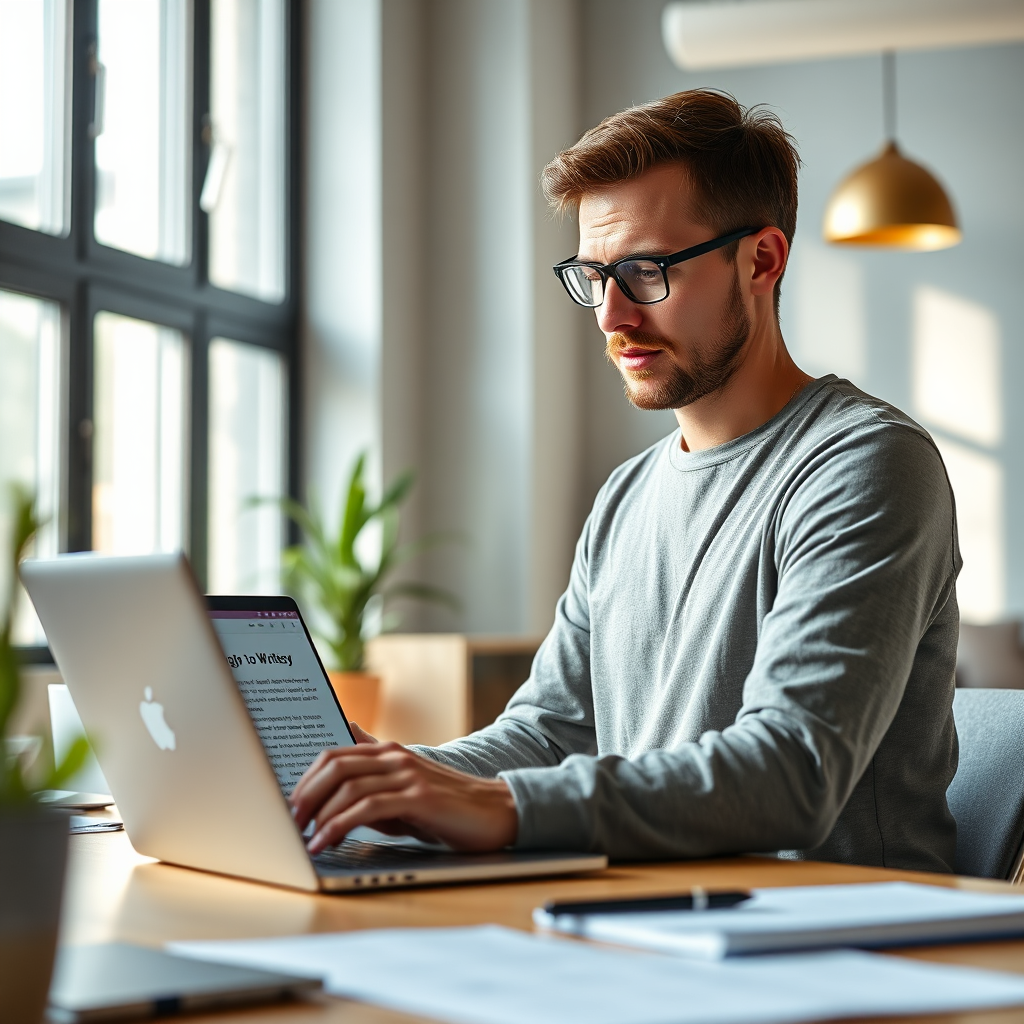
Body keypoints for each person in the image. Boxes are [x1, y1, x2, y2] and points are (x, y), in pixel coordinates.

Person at [290, 90, 961, 872]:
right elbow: (550, 735)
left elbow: (792, 772)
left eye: (645, 272)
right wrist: (390, 776)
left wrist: (498, 807)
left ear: (762, 259)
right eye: (592, 275)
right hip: (654, 920)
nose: (611, 316)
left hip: (846, 949)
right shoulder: (627, 495)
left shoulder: (863, 465)